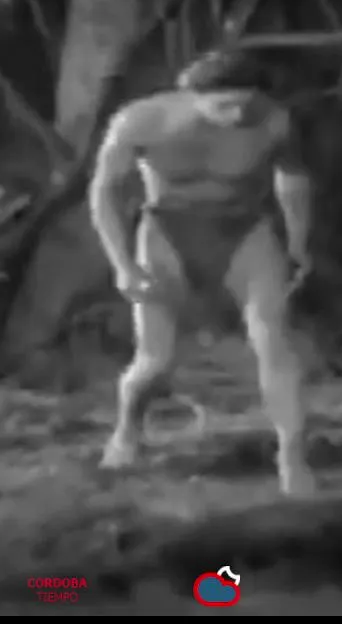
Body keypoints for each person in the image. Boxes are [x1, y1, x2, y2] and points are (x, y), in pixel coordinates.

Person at [86, 49, 316, 496]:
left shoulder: (273, 121)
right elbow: (104, 193)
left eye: (246, 104)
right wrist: (122, 265)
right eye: (224, 106)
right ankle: (128, 430)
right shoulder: (140, 121)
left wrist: (298, 243)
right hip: (167, 232)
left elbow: (292, 182)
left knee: (273, 341)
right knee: (156, 360)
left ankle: (292, 457)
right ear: (192, 97)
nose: (237, 116)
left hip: (243, 231)